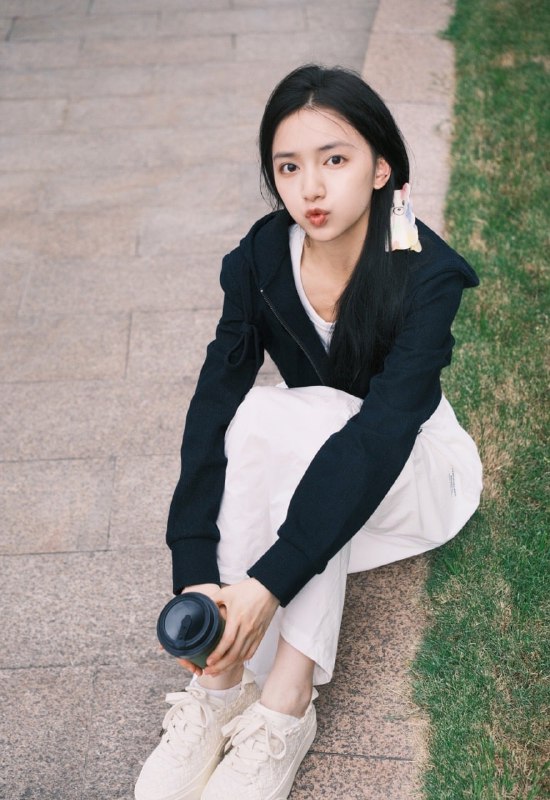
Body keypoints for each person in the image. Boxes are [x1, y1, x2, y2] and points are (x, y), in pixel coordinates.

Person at [135, 64, 482, 800]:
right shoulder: (261, 259)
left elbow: (380, 436)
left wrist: (270, 582)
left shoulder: (428, 275)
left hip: (418, 477)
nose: (310, 188)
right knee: (260, 411)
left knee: (324, 418)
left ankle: (286, 708)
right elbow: (214, 401)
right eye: (289, 167)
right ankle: (219, 681)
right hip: (320, 466)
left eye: (335, 159)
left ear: (382, 168)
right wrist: (194, 565)